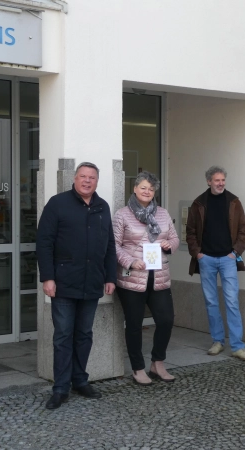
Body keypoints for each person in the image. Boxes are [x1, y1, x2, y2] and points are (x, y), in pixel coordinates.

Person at [37, 162, 117, 410]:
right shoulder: (57, 203)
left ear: (97, 181)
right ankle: (60, 388)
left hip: (92, 282)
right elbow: (44, 242)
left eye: (92, 177)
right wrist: (47, 277)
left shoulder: (102, 207)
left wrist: (110, 276)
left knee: (84, 335)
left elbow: (110, 245)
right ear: (74, 178)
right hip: (63, 283)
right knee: (63, 336)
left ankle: (80, 380)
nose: (87, 181)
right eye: (82, 176)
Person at [113, 172, 179, 385]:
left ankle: (157, 362)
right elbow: (113, 245)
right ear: (134, 189)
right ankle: (138, 367)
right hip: (132, 277)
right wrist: (130, 261)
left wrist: (170, 245)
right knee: (134, 324)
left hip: (158, 275)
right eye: (143, 187)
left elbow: (174, 237)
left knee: (166, 319)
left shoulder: (162, 213)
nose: (147, 191)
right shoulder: (122, 215)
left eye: (151, 189)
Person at [186, 166, 245, 361]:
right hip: (206, 259)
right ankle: (217, 341)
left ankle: (238, 346)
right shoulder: (199, 203)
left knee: (232, 302)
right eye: (217, 180)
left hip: (228, 259)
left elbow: (243, 229)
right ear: (208, 181)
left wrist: (235, 252)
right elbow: (190, 232)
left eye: (223, 180)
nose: (221, 183)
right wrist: (198, 254)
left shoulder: (233, 202)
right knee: (211, 302)